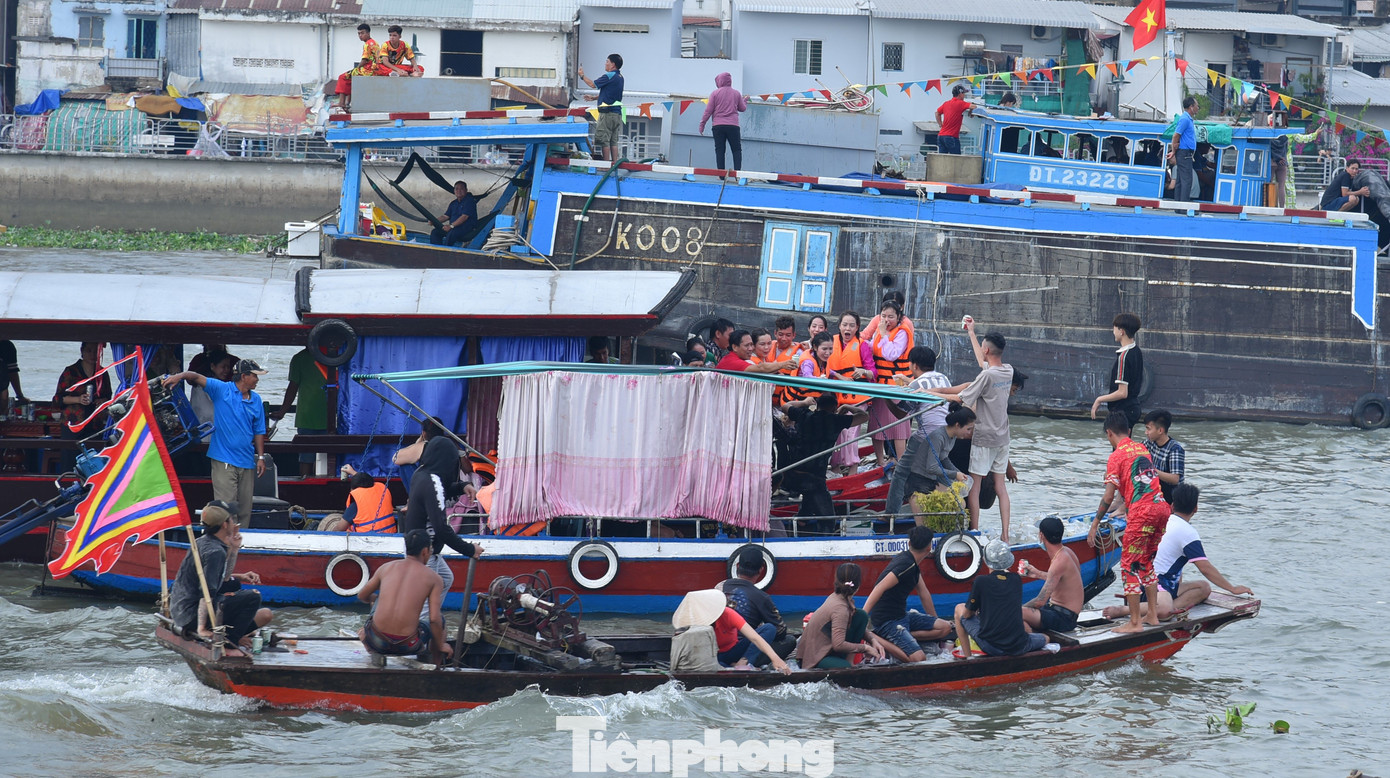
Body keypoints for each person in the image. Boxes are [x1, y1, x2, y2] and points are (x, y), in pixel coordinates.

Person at [1101, 483, 1252, 622]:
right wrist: (1233, 589)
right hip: (1151, 587)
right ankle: (1123, 610)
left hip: (1139, 585)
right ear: (1195, 509)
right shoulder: (1188, 532)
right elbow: (1205, 568)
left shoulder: (1161, 520)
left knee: (1204, 587)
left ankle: (1157, 607)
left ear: (1172, 506)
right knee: (1166, 609)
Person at [927, 323, 1014, 541]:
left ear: (987, 350)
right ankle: (1005, 534)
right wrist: (972, 333)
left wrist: (929, 392)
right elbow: (982, 362)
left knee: (973, 487)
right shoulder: (1007, 371)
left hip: (985, 437)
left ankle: (973, 531)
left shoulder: (986, 377)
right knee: (1000, 487)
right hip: (1003, 438)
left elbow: (960, 398)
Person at [1087, 411, 1171, 634]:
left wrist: (1095, 523)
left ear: (1109, 433)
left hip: (1143, 513)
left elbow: (1108, 496)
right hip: (1162, 508)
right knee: (1146, 562)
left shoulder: (1116, 455)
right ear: (1129, 431)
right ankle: (1152, 615)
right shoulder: (1142, 449)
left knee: (1129, 566)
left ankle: (1135, 622)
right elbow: (1137, 486)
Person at [163, 359, 269, 527]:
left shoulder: (256, 400)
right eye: (255, 376)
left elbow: (259, 431)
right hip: (224, 459)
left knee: (244, 510)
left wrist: (261, 457)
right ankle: (223, 543)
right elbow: (196, 377)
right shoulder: (221, 389)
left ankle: (241, 544)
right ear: (244, 376)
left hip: (247, 461)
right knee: (225, 508)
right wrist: (179, 377)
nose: (257, 380)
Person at [400, 418, 483, 608]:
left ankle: (428, 627)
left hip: (416, 546)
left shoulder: (421, 474)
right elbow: (441, 528)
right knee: (423, 601)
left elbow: (442, 489)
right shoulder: (433, 481)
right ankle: (423, 631)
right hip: (424, 551)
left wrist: (463, 486)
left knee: (445, 579)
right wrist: (470, 550)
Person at [168, 502, 272, 649]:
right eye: (231, 519)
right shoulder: (215, 552)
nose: (234, 523)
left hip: (180, 608)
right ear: (224, 524)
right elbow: (206, 592)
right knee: (253, 597)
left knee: (234, 584)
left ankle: (232, 631)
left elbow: (224, 578)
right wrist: (201, 628)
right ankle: (232, 643)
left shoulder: (203, 541)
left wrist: (234, 549)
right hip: (190, 614)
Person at [357, 529, 453, 664]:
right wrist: (441, 645)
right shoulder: (434, 578)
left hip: (376, 641)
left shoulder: (386, 568)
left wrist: (375, 600)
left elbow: (362, 595)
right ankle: (434, 666)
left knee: (378, 598)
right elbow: (434, 619)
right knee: (441, 621)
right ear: (425, 551)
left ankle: (369, 643)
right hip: (408, 645)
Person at [863, 525, 954, 662]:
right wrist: (862, 619)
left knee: (945, 628)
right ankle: (875, 637)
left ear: (909, 543)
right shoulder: (905, 565)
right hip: (887, 621)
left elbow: (924, 594)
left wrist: (935, 619)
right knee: (918, 658)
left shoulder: (912, 564)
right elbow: (879, 587)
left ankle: (905, 637)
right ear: (929, 548)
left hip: (902, 616)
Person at [780, 391, 868, 532]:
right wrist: (847, 407)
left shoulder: (803, 415)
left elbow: (785, 406)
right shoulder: (836, 420)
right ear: (834, 407)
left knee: (811, 493)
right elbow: (864, 416)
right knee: (828, 521)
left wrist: (804, 403)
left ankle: (802, 520)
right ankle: (825, 539)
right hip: (814, 478)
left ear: (818, 405)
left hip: (791, 474)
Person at [883, 345, 952, 517]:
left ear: (914, 365)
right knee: (941, 469)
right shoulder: (944, 379)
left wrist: (887, 400)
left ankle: (890, 513)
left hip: (926, 436)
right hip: (947, 434)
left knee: (900, 473)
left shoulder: (917, 383)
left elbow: (901, 415)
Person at [952, 540, 1051, 658]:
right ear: (1009, 563)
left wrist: (977, 611)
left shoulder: (981, 581)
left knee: (959, 608)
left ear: (985, 561)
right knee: (1046, 638)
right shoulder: (1016, 579)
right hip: (1019, 645)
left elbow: (967, 615)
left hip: (992, 646)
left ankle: (968, 658)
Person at [670, 589, 792, 674]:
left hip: (733, 651)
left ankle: (743, 662)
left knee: (769, 628)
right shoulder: (692, 624)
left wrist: (775, 658)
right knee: (720, 665)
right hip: (712, 657)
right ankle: (731, 668)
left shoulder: (727, 614)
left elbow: (755, 637)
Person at [797, 562, 888, 669]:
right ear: (858, 585)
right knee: (845, 668)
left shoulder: (839, 598)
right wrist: (865, 648)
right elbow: (838, 645)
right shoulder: (840, 609)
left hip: (827, 650)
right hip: (815, 659)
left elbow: (855, 624)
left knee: (861, 615)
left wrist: (873, 640)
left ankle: (850, 662)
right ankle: (848, 665)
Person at [716, 547, 795, 667]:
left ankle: (730, 664)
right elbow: (780, 632)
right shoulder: (761, 597)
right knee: (786, 639)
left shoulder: (719, 586)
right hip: (739, 649)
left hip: (717, 651)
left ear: (737, 566)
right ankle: (745, 662)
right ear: (761, 570)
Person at [900, 404, 975, 527]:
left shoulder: (952, 438)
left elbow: (943, 458)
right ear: (957, 425)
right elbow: (932, 467)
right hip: (917, 483)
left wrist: (959, 474)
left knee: (960, 503)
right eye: (968, 429)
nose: (970, 433)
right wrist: (955, 474)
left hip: (931, 481)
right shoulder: (938, 437)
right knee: (922, 527)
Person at [271, 348, 333, 477]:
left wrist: (283, 411)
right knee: (309, 458)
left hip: (329, 417)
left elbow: (292, 387)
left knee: (317, 458)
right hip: (309, 417)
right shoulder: (300, 358)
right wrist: (283, 411)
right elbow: (293, 387)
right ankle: (306, 484)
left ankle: (310, 485)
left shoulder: (334, 355)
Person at [867, 300, 913, 467]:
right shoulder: (879, 332)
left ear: (899, 317)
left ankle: (901, 463)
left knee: (899, 428)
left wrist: (884, 334)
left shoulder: (902, 333)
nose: (887, 320)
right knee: (876, 424)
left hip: (897, 386)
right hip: (879, 385)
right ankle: (880, 462)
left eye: (891, 317)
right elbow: (871, 348)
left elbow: (891, 354)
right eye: (883, 316)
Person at [1019, 516, 1084, 634]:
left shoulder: (1059, 561)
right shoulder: (1067, 552)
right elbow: (1063, 580)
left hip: (1063, 619)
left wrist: (1022, 608)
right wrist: (1037, 574)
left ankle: (1033, 640)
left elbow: (1040, 601)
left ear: (1041, 536)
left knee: (1015, 613)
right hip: (1061, 612)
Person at [55, 342, 112, 470]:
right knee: (70, 461)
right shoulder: (70, 372)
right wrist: (78, 399)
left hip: (95, 424)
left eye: (95, 352)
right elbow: (58, 399)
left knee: (94, 462)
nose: (92, 355)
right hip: (73, 423)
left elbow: (108, 397)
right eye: (89, 351)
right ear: (82, 351)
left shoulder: (102, 373)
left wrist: (102, 401)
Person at [1090, 312, 1144, 427]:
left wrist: (1099, 399)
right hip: (1133, 408)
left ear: (1122, 331)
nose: (1113, 331)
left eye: (1114, 328)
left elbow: (1122, 392)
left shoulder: (1123, 357)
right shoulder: (1136, 351)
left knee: (1119, 445)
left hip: (1123, 411)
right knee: (1125, 445)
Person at [579, 53, 625, 162]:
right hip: (617, 113)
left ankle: (605, 164)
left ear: (613, 64)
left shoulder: (609, 76)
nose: (605, 63)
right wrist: (594, 98)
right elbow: (610, 93)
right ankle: (614, 163)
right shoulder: (620, 77)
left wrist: (582, 76)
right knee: (613, 141)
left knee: (604, 140)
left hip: (607, 114)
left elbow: (593, 84)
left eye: (607, 61)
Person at [698, 72, 747, 170]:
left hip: (718, 126)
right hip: (733, 126)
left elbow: (708, 111)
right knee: (736, 149)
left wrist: (702, 124)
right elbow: (742, 108)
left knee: (720, 150)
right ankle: (737, 173)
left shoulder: (715, 94)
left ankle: (721, 175)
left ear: (719, 81)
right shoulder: (736, 93)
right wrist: (744, 101)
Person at [333, 24, 382, 109]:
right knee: (351, 79)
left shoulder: (368, 44)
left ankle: (341, 103)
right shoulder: (374, 43)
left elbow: (365, 60)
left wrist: (356, 68)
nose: (360, 35)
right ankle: (347, 102)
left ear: (368, 33)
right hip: (376, 68)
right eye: (359, 33)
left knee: (343, 77)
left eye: (362, 33)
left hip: (369, 69)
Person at [190, 349, 234, 441]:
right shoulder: (210, 384)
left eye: (228, 367)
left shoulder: (202, 382)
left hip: (200, 429)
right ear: (213, 366)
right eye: (223, 367)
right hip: (208, 432)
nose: (227, 370)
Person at [1143, 409, 1185, 502]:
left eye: (1148, 429)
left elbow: (1175, 479)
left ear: (1160, 430)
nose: (1146, 432)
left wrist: (1152, 470)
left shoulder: (1175, 449)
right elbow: (1134, 453)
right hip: (1156, 490)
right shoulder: (1149, 443)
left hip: (1171, 497)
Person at [715, 329, 795, 374]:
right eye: (747, 346)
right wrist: (782, 364)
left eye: (751, 345)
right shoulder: (732, 361)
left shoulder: (740, 358)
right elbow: (761, 368)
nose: (750, 348)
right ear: (735, 347)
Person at [430, 181, 478, 247]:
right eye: (456, 189)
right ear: (454, 191)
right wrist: (434, 221)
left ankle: (446, 251)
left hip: (467, 228)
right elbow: (445, 216)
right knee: (435, 232)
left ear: (466, 190)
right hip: (454, 227)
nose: (459, 191)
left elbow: (464, 217)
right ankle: (436, 250)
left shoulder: (470, 201)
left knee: (452, 233)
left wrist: (451, 226)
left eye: (461, 189)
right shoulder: (453, 203)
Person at [1169, 96, 1198, 203]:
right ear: (1191, 107)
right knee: (1187, 180)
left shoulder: (1187, 119)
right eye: (1196, 105)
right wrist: (1173, 151)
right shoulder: (1185, 119)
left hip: (1184, 152)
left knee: (1181, 180)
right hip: (1185, 152)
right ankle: (1183, 205)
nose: (1198, 108)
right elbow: (1176, 136)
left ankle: (1179, 205)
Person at [935, 84, 972, 155]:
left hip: (941, 136)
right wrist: (971, 112)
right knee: (956, 159)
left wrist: (940, 125)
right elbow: (973, 106)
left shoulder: (946, 103)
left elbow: (937, 113)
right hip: (951, 137)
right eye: (964, 93)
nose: (964, 95)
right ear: (960, 94)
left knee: (943, 159)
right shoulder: (961, 103)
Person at [0, 338, 25, 415]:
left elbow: (12, 372)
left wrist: (20, 396)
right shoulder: (7, 346)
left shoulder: (7, 346)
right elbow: (12, 373)